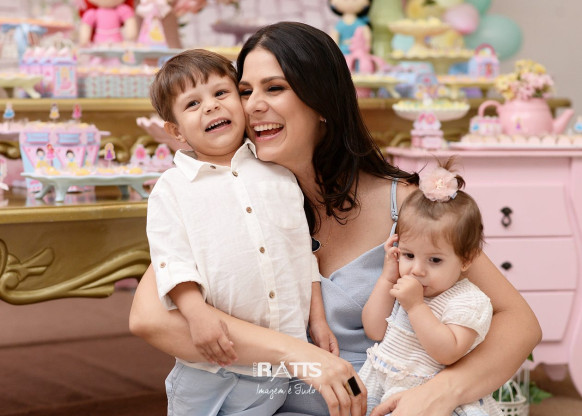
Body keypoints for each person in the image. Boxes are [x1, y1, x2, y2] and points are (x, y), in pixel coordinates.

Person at [129, 22, 541, 416]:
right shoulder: (224, 200)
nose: (253, 105)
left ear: (321, 101)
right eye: (245, 91)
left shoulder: (404, 204)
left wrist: (438, 393)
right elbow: (151, 318)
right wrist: (299, 355)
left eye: (275, 88)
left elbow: (520, 322)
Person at [145, 48, 337, 415]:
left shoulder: (279, 175)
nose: (211, 106)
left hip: (274, 365)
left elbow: (301, 254)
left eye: (221, 93)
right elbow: (172, 260)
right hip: (208, 364)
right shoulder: (172, 188)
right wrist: (196, 314)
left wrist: (317, 320)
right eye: (192, 104)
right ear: (176, 130)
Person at [360, 159, 501, 416]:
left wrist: (415, 307)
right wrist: (387, 278)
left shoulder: (467, 301)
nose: (417, 270)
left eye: (434, 260)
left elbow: (448, 352)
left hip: (434, 400)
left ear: (466, 259)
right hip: (385, 386)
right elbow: (373, 328)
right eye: (408, 255)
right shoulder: (406, 288)